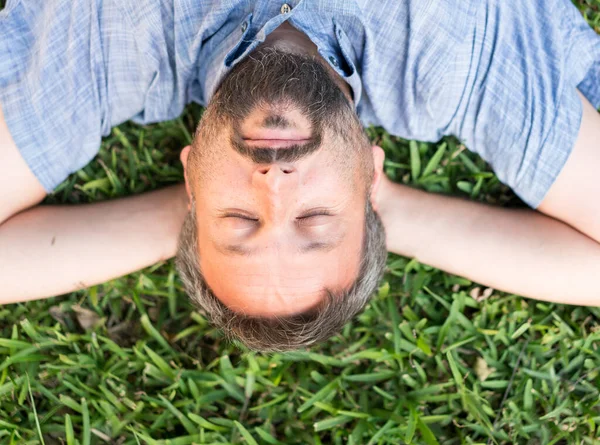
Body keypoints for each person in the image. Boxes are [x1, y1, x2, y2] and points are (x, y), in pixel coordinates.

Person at [1, 0, 600, 351]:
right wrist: (395, 214)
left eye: (238, 217)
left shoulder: (108, 57)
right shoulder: (459, 69)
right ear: (370, 173)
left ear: (193, 184)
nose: (273, 180)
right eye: (315, 218)